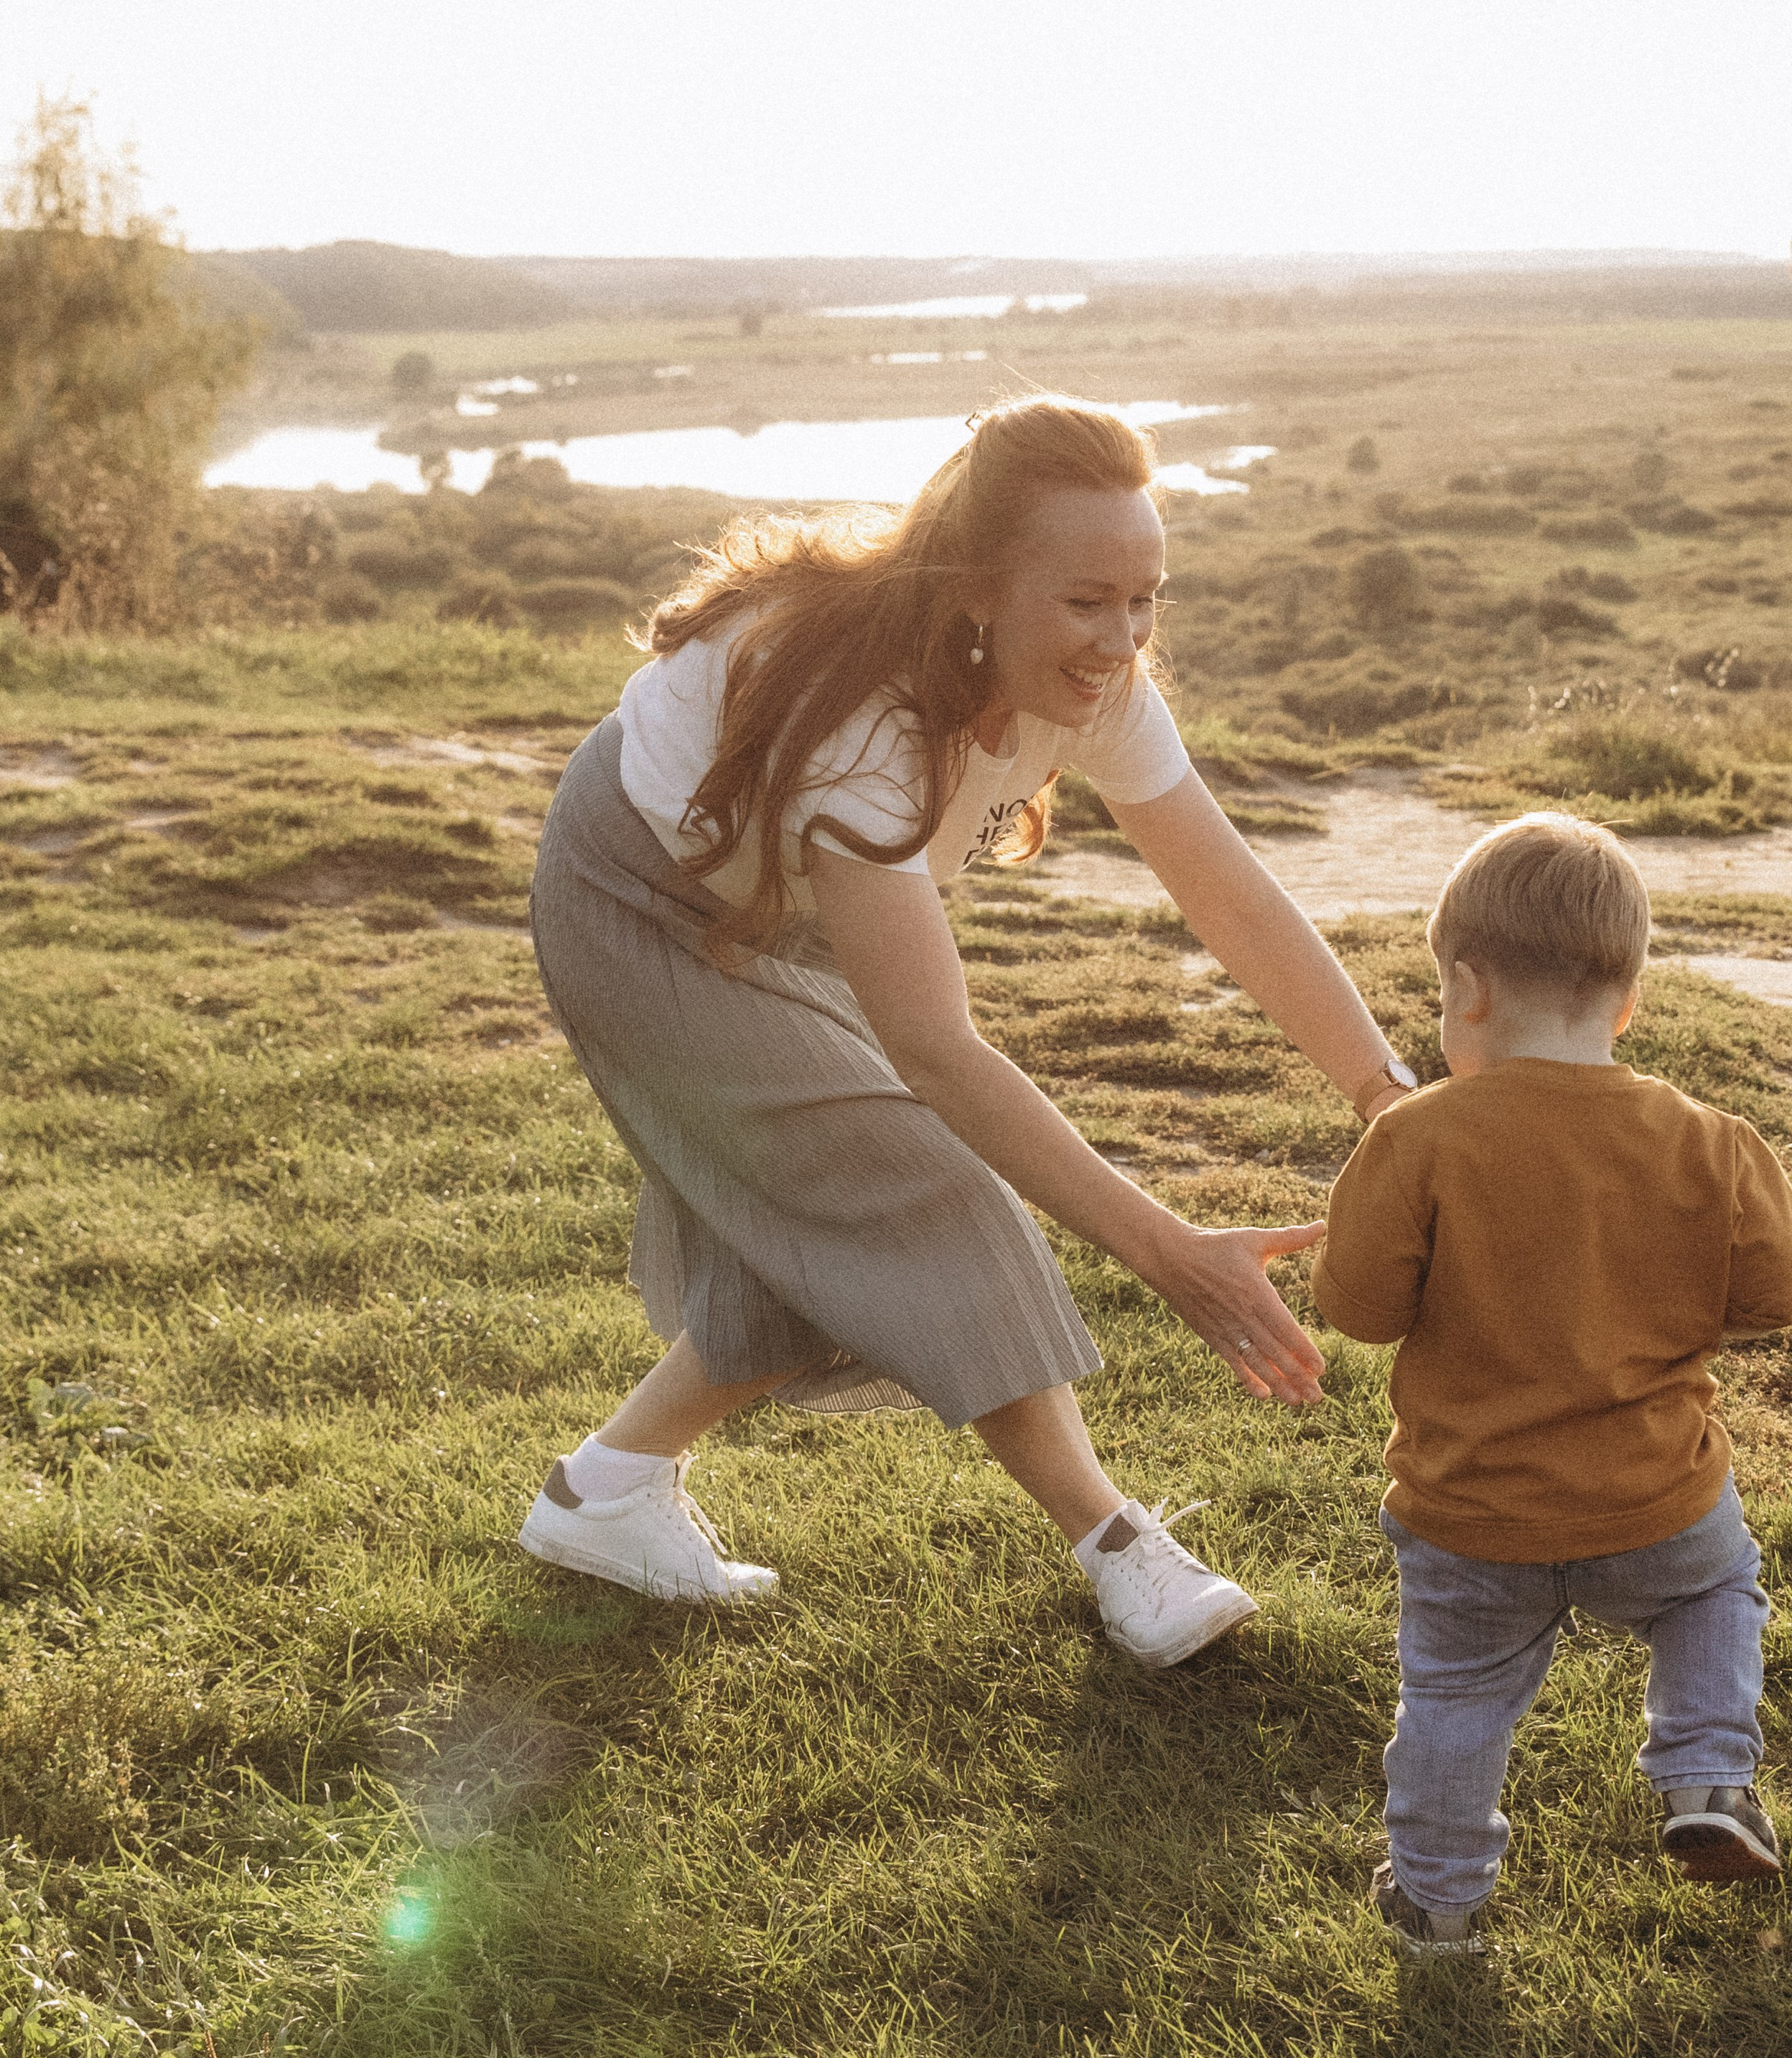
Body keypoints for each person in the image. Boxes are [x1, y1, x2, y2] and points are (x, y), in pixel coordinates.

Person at [521, 396, 1416, 1665]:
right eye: (1088, 599)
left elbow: (1229, 894)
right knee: (917, 1183)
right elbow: (939, 1053)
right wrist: (1168, 1251)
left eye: (1146, 598)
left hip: (779, 900)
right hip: (637, 901)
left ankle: (604, 1494)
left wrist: (1390, 1093)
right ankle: (1118, 1547)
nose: (1123, 637)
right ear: (980, 592)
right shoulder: (866, 724)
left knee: (822, 1221)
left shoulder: (1091, 683)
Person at [1312, 812, 1792, 1953]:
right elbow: (1774, 1292)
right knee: (1714, 1595)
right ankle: (1705, 1774)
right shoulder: (1711, 1142)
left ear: (1468, 990)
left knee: (1456, 1699)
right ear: (1626, 1002)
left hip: (1475, 1513)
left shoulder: (1419, 1136)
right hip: (1656, 1499)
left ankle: (1437, 1901)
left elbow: (1360, 1312)